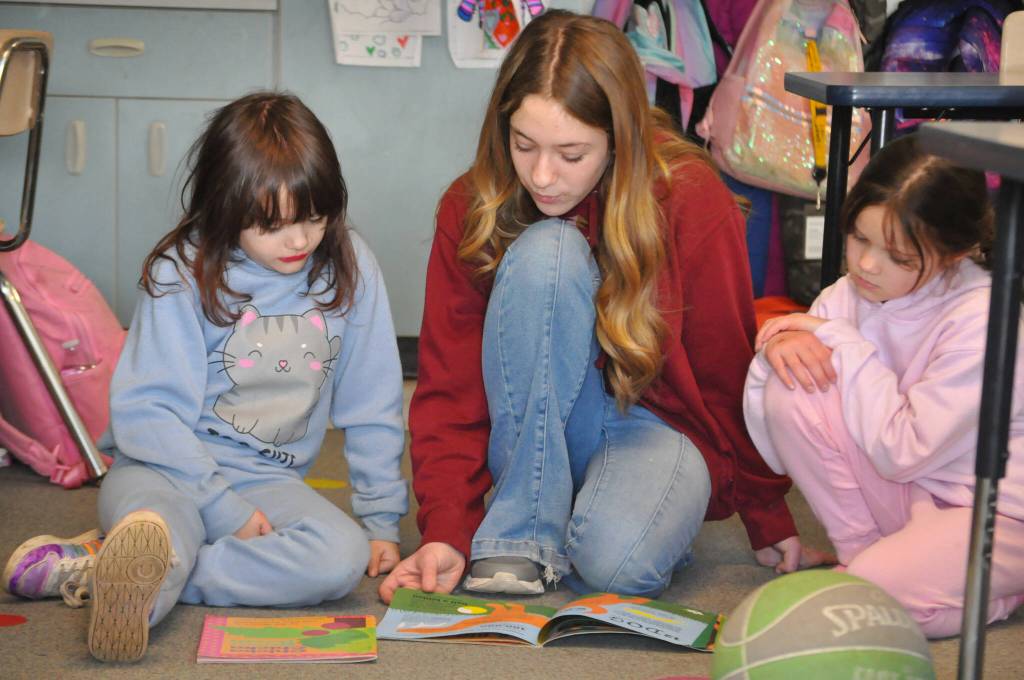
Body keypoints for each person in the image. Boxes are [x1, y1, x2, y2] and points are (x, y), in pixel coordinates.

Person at [379, 9, 831, 604]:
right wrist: (446, 532)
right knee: (549, 249)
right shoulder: (473, 204)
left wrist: (767, 514)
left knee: (618, 566)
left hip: (656, 424)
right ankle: (522, 529)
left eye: (571, 154)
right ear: (502, 130)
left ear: (618, 139)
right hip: (538, 420)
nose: (543, 176)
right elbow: (450, 386)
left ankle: (581, 507)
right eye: (524, 145)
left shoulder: (690, 196)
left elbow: (727, 367)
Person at [2, 92, 408, 661]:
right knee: (161, 524)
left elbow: (373, 400)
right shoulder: (179, 272)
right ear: (224, 205)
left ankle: (113, 571)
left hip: (268, 483)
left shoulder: (351, 265)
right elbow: (149, 415)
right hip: (163, 471)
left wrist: (381, 519)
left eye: (314, 217)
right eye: (273, 224)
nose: (299, 241)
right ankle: (145, 563)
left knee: (338, 558)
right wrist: (222, 513)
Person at [743, 134, 1024, 638]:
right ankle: (870, 560)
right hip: (905, 494)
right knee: (793, 378)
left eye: (900, 257)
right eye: (859, 238)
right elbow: (778, 433)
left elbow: (904, 450)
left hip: (992, 514)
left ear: (956, 253)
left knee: (854, 601)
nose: (868, 265)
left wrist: (844, 345)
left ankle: (984, 590)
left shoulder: (984, 316)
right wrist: (778, 343)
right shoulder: (846, 296)